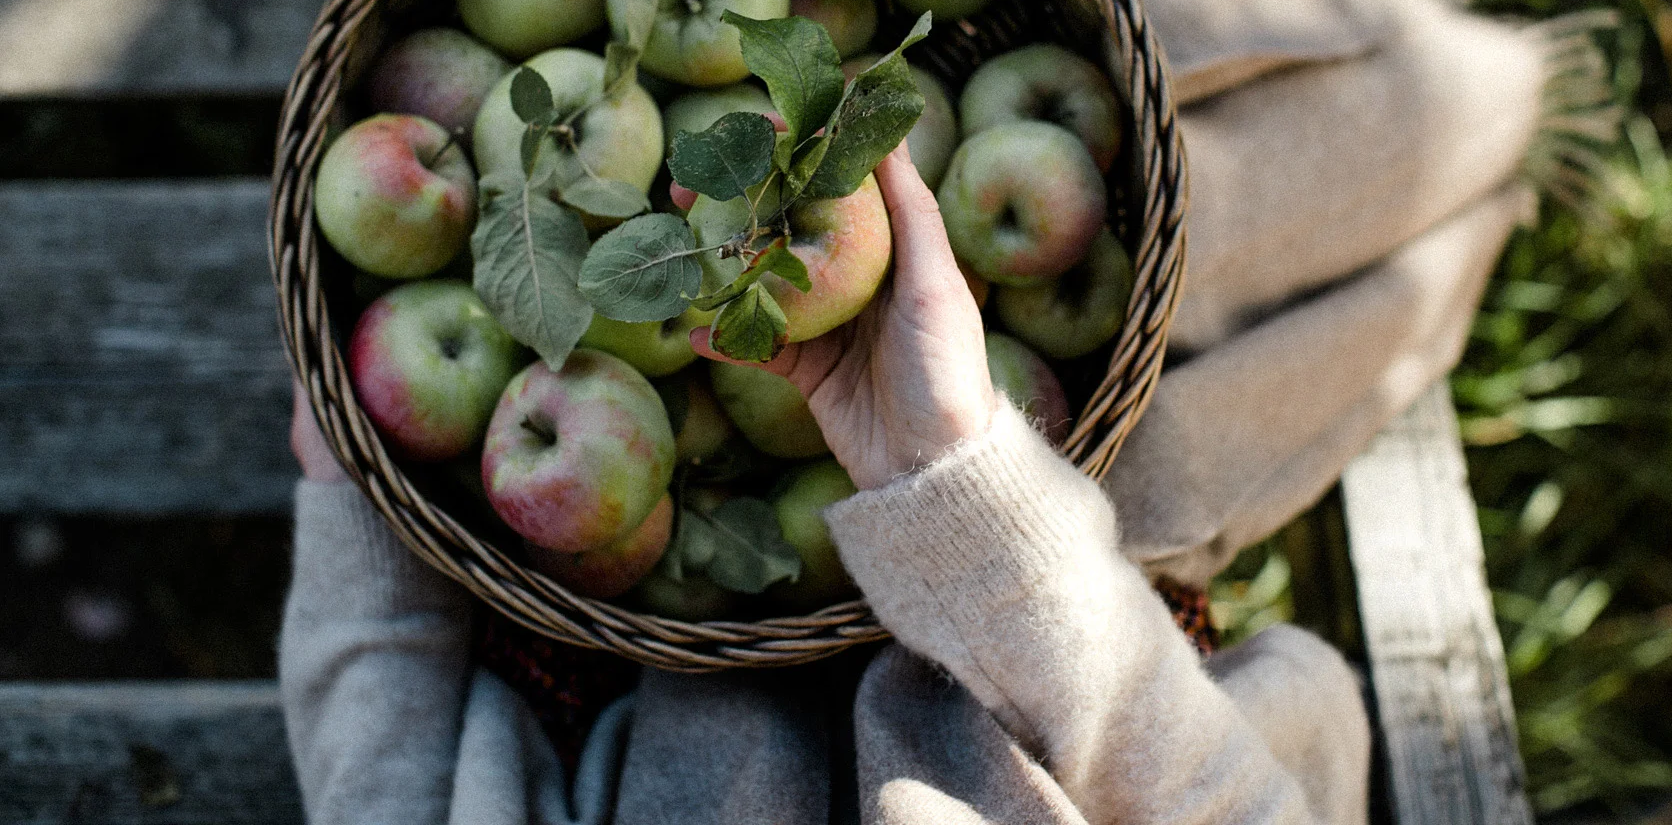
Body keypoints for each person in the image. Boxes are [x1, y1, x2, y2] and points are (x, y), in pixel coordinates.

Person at [280, 143, 1372, 825]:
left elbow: (379, 794)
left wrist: (356, 516)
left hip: (633, 645)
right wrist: (956, 481)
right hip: (1044, 661)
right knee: (1218, 251)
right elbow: (1223, 798)